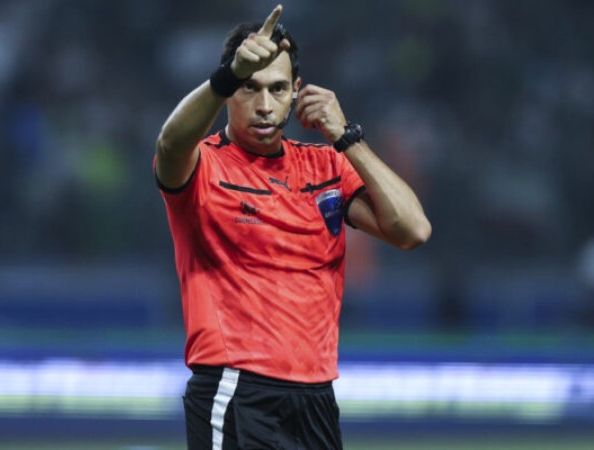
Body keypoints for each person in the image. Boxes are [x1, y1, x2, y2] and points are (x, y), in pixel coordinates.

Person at [155, 5, 431, 449]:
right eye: (248, 88)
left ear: (295, 92)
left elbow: (412, 230)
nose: (264, 106)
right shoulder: (202, 165)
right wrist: (226, 74)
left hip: (316, 396)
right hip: (237, 388)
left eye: (278, 89)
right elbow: (169, 142)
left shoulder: (327, 165)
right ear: (228, 92)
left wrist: (347, 137)